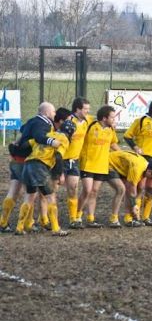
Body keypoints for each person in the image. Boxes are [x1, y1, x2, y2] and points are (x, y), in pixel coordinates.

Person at [1, 102, 60, 233]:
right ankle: (27, 224)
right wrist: (52, 141)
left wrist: (17, 142)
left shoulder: (32, 121)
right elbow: (40, 136)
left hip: (16, 159)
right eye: (53, 111)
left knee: (13, 191)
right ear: (46, 112)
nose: (54, 114)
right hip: (27, 161)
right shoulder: (43, 123)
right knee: (30, 193)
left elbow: (23, 131)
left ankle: (3, 222)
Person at [15, 119, 75, 236]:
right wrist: (59, 175)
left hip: (28, 165)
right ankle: (56, 229)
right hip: (40, 166)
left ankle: (19, 227)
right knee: (50, 197)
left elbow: (27, 144)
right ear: (71, 133)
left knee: (29, 197)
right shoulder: (64, 140)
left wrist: (15, 146)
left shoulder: (48, 134)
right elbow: (58, 156)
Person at [77, 106, 120, 228]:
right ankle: (77, 216)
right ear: (104, 118)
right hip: (88, 164)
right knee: (87, 190)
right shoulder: (90, 125)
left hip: (102, 165)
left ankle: (90, 218)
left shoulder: (110, 130)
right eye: (112, 117)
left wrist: (123, 155)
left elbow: (113, 143)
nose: (114, 119)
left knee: (94, 192)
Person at [108, 150, 152, 228]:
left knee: (138, 188)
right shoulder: (137, 169)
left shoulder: (145, 167)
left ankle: (128, 219)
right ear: (149, 171)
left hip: (123, 167)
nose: (150, 179)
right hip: (110, 164)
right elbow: (131, 190)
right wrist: (134, 205)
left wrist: (136, 205)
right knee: (122, 190)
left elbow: (140, 188)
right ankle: (114, 219)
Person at [62, 97, 93, 229]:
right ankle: (43, 218)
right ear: (77, 109)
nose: (87, 111)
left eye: (88, 109)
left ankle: (73, 219)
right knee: (51, 190)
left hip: (74, 161)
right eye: (85, 109)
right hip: (61, 160)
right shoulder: (68, 121)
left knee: (73, 188)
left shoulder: (87, 121)